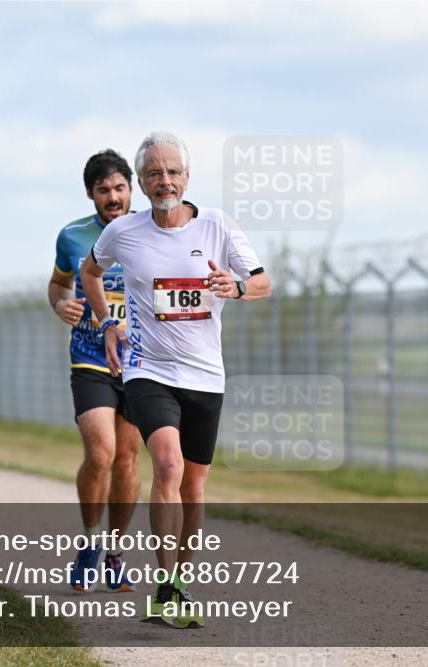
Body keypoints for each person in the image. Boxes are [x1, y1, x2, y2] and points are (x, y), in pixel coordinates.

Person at [81, 132, 272, 627]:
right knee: (167, 465)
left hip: (206, 374)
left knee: (194, 488)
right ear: (142, 183)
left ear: (187, 178)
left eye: (173, 172)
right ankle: (164, 587)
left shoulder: (218, 226)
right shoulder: (124, 232)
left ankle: (182, 583)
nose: (164, 181)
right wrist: (106, 324)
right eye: (154, 174)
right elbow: (90, 272)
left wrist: (237, 285)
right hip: (148, 370)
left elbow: (263, 282)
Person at [49, 150, 143, 592]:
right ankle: (89, 543)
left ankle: (115, 555)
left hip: (141, 362)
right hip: (89, 357)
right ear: (91, 194)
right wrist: (59, 302)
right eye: (103, 190)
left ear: (131, 189)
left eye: (120, 188)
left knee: (127, 460)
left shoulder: (152, 232)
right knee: (101, 453)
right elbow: (58, 283)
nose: (113, 196)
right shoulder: (72, 236)